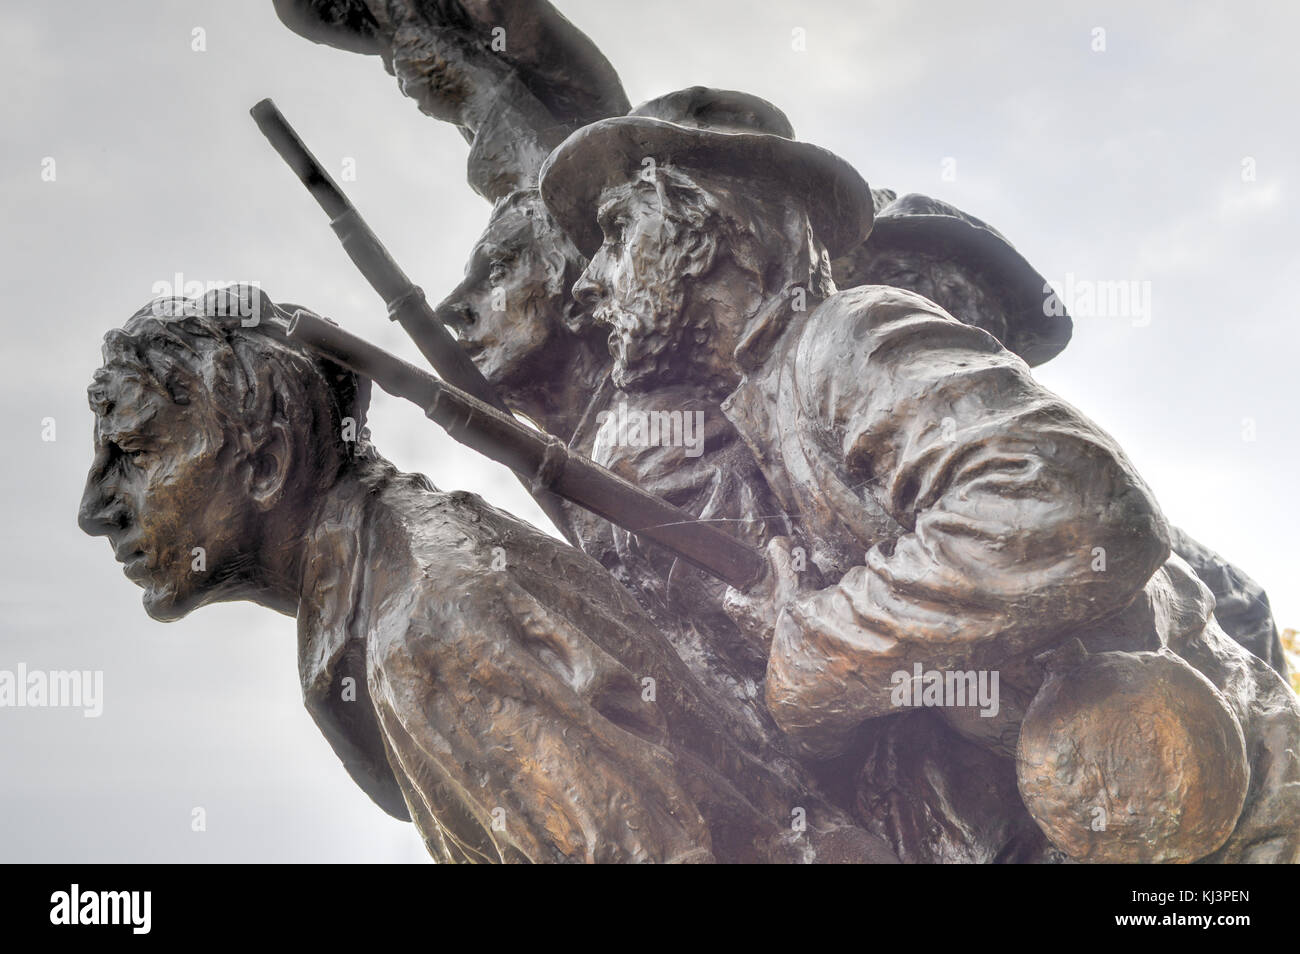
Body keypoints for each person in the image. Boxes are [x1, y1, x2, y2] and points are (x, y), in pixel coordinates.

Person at [538, 93, 1300, 863]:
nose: (588, 284)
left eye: (614, 235)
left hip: (1221, 821)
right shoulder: (764, 414)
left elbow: (1072, 511)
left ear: (710, 234)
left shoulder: (841, 339)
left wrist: (819, 645)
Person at [76, 285, 894, 864]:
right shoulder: (392, 588)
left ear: (267, 461)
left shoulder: (428, 620)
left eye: (136, 454)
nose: (95, 506)